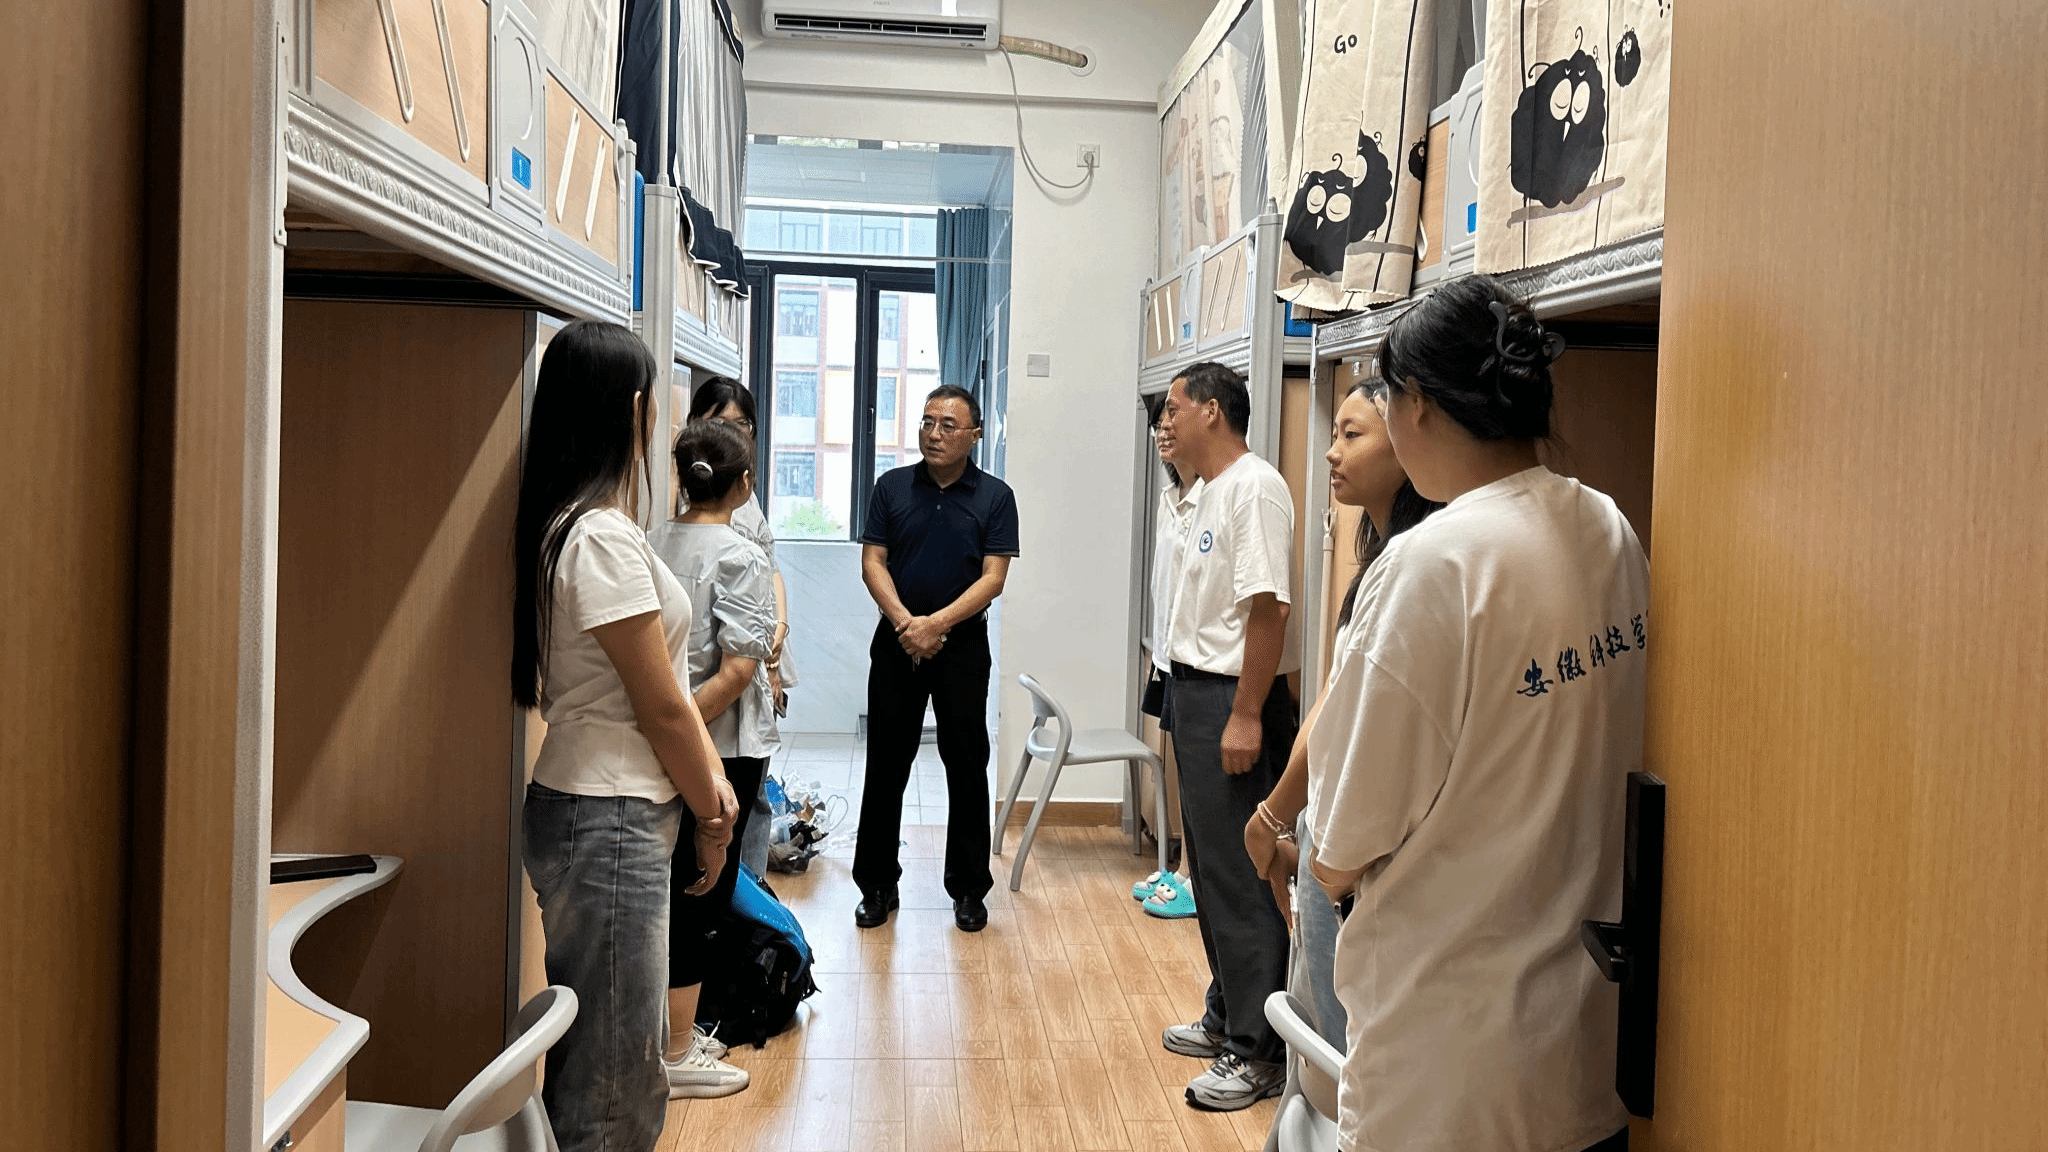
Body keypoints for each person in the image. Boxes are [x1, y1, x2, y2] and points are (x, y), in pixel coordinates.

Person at [1304, 274, 1648, 1152]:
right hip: (1584, 1034)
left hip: (1450, 1062)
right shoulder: (1609, 527)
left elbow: (1343, 839)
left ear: (1416, 403)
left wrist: (1318, 861)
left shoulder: (1434, 564)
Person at [511, 320, 738, 1152]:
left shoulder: (587, 523)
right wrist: (713, 810)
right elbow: (662, 708)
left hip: (603, 806)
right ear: (631, 409)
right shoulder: (599, 537)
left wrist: (713, 791)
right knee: (614, 1082)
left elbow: (666, 695)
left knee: (609, 1060)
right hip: (607, 814)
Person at [1242, 379, 1442, 1052]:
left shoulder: (1420, 568)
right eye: (1334, 435)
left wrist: (1275, 818)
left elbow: (1341, 721)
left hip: (1356, 855)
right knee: (1318, 1019)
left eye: (1352, 435)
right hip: (1328, 840)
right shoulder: (1379, 560)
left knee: (1335, 1040)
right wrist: (1282, 820)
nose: (1332, 452)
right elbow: (1330, 701)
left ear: (1410, 439)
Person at [1155, 361, 1298, 1112]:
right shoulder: (1204, 491)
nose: (1165, 423)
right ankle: (1227, 1012)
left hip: (1232, 699)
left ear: (1213, 411)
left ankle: (1258, 1048)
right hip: (1193, 691)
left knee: (1243, 875)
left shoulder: (1255, 487)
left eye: (1174, 409)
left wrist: (1245, 714)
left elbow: (1268, 610)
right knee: (1209, 873)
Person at [850, 384, 1019, 934]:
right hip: (896, 643)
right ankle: (877, 885)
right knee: (886, 765)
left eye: (948, 425)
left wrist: (936, 624)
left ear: (975, 435)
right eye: (927, 422)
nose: (934, 433)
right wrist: (908, 624)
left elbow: (993, 579)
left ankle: (969, 889)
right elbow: (873, 562)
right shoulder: (892, 487)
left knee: (967, 767)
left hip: (962, 648)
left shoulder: (995, 496)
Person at [648, 418, 781, 1099]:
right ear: (745, 484)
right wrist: (679, 727)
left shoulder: (647, 540)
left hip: (653, 742)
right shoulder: (741, 556)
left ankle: (660, 1036)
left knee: (662, 886)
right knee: (702, 890)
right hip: (720, 745)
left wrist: (659, 726)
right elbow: (736, 673)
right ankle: (678, 1049)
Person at [681, 377, 793, 878]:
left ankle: (747, 893)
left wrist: (778, 635)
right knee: (718, 812)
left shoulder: (744, 502)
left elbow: (770, 566)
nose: (733, 433)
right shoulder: (700, 510)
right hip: (712, 689)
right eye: (720, 423)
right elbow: (733, 669)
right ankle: (734, 901)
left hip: (744, 663)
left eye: (743, 424)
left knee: (747, 804)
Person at [1131, 391, 1204, 915]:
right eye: (1158, 422)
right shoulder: (1169, 496)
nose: (1162, 430)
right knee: (1180, 764)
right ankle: (1181, 869)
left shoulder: (1214, 495)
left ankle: (1194, 878)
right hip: (1168, 657)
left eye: (1171, 418)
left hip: (1201, 661)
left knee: (1201, 779)